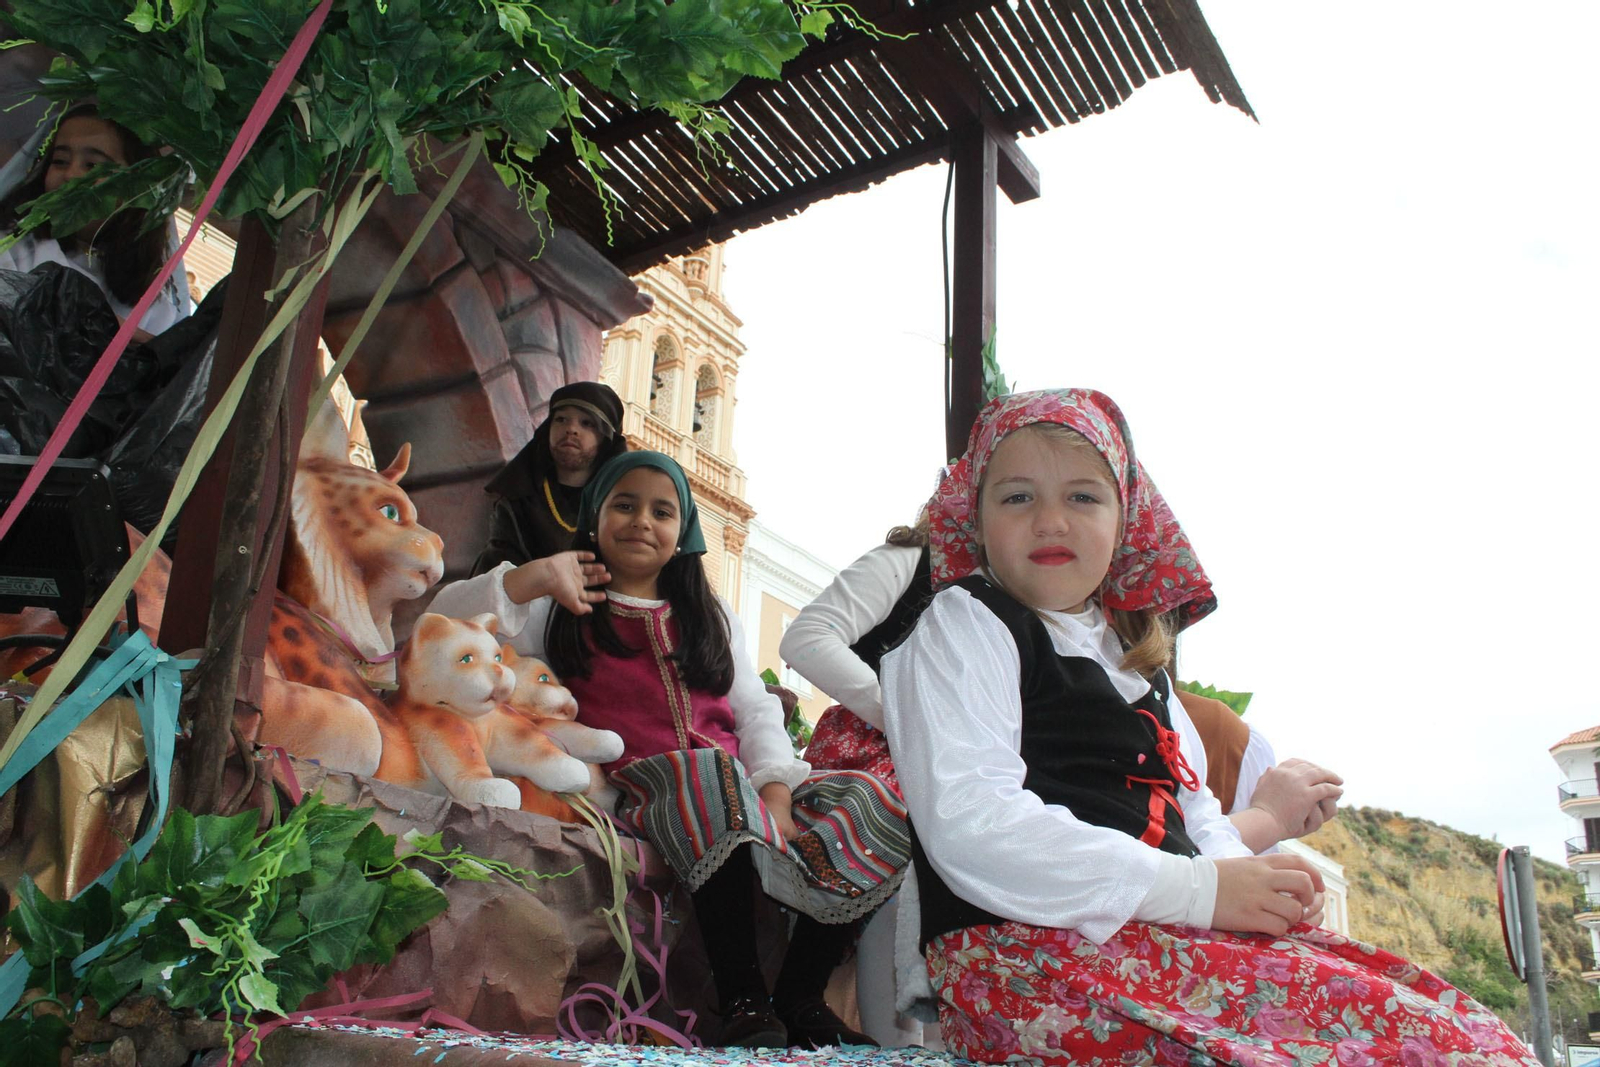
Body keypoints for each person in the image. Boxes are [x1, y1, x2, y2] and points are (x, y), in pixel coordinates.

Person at [877, 388, 1539, 1065]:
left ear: (1125, 521)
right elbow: (972, 821)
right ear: (977, 519)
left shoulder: (1137, 666)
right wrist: (1206, 891)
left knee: (1468, 1033)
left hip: (1152, 939)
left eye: (1083, 496)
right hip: (1028, 958)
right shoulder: (965, 624)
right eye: (1018, 496)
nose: (1050, 520)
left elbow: (1196, 812)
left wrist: (1252, 883)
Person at [432, 451, 909, 1049]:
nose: (642, 521)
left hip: (736, 786)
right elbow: (444, 621)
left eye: (662, 511)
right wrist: (534, 576)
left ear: (683, 530)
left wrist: (776, 791)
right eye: (624, 505)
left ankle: (799, 994)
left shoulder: (709, 614)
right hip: (638, 785)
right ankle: (742, 997)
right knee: (707, 771)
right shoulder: (559, 604)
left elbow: (755, 710)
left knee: (873, 799)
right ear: (594, 516)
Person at [0, 104, 191, 338]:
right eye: (60, 161)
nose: (71, 175)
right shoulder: (12, 248)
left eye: (92, 166)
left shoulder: (154, 300)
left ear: (137, 187)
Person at [471, 381, 629, 574]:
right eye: (561, 419)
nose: (571, 429)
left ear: (606, 439)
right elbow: (497, 572)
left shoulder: (620, 506)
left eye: (587, 423)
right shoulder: (515, 500)